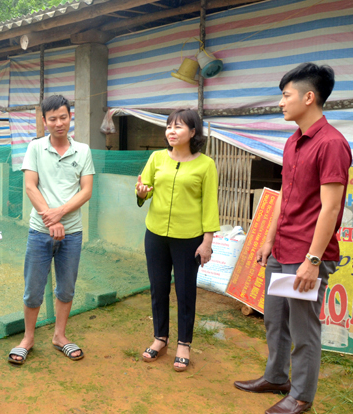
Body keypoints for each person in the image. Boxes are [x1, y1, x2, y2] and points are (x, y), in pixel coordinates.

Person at [234, 63, 350, 414]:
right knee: (275, 318)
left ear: (309, 97)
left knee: (304, 328)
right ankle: (276, 377)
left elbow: (331, 209)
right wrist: (269, 240)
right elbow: (285, 193)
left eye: (286, 95)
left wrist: (313, 261)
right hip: (284, 247)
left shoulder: (332, 144)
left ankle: (301, 396)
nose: (282, 103)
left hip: (307, 255)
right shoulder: (292, 142)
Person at [8, 95, 94, 365]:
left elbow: (87, 191)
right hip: (40, 231)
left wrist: (61, 214)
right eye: (52, 118)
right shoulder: (35, 148)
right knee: (33, 288)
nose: (59, 123)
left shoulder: (83, 150)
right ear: (44, 121)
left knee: (66, 288)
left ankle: (59, 336)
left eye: (63, 117)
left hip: (73, 233)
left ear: (70, 117)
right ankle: (28, 339)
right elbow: (31, 186)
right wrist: (52, 220)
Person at [136, 109, 219, 372]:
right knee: (158, 288)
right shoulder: (156, 157)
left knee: (185, 292)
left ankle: (184, 344)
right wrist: (141, 192)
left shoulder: (205, 164)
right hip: (156, 235)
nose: (171, 131)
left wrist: (207, 242)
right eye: (169, 126)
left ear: (193, 132)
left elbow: (209, 205)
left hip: (188, 238)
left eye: (178, 127)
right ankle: (160, 338)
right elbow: (145, 190)